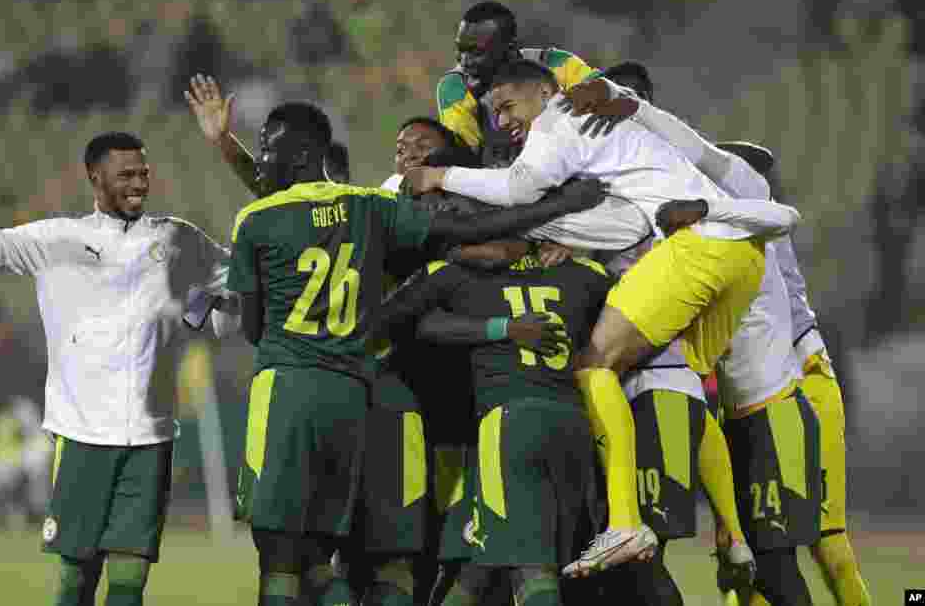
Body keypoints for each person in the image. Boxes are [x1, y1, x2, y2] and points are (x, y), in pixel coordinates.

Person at [403, 60, 801, 577]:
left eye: (508, 107)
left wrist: (438, 175)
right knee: (684, 375)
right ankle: (733, 532)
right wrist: (572, 231)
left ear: (548, 92)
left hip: (699, 251)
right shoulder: (623, 131)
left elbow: (520, 189)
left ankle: (625, 522)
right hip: (742, 260)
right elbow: (634, 215)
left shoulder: (559, 122)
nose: (501, 121)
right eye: (493, 112)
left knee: (594, 366)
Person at [227, 102, 607, 606]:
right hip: (373, 397)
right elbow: (463, 239)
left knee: (288, 556)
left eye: (266, 149)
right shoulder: (374, 209)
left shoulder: (262, 217)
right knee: (392, 560)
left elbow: (254, 325)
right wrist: (559, 212)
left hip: (297, 386)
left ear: (300, 155)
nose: (261, 160)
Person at [0, 132, 243, 606]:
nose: (138, 184)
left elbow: (224, 318)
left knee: (130, 583)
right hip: (82, 435)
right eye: (125, 175)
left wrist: (227, 307)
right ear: (95, 178)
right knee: (75, 582)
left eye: (143, 174)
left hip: (151, 438)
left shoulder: (179, 238)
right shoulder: (58, 239)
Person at [604, 85, 825, 605]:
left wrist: (634, 108)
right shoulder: (698, 237)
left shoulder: (744, 213)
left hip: (774, 413)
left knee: (776, 570)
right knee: (745, 572)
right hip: (734, 418)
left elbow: (704, 155)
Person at [378, 246, 611, 606]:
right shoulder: (588, 272)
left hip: (503, 427)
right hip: (575, 420)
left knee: (527, 566)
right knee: (483, 563)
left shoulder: (457, 274)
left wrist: (498, 326)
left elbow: (405, 324)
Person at [715, 143, 873, 606]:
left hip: (800, 379)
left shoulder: (759, 228)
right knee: (749, 556)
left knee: (825, 546)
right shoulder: (728, 233)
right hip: (753, 397)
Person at [438, 1, 617, 167]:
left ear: (510, 48)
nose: (465, 61)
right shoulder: (456, 88)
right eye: (460, 50)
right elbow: (462, 161)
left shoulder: (558, 64)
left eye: (476, 52)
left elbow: (613, 94)